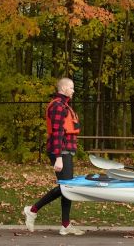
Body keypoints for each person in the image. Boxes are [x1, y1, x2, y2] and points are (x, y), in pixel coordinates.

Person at [23, 77, 85, 236]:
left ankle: (65, 225)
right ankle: (32, 210)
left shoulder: (63, 105)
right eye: (71, 88)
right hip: (61, 151)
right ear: (63, 88)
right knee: (67, 187)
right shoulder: (58, 106)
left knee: (67, 188)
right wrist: (58, 157)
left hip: (66, 151)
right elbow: (57, 133)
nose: (73, 91)